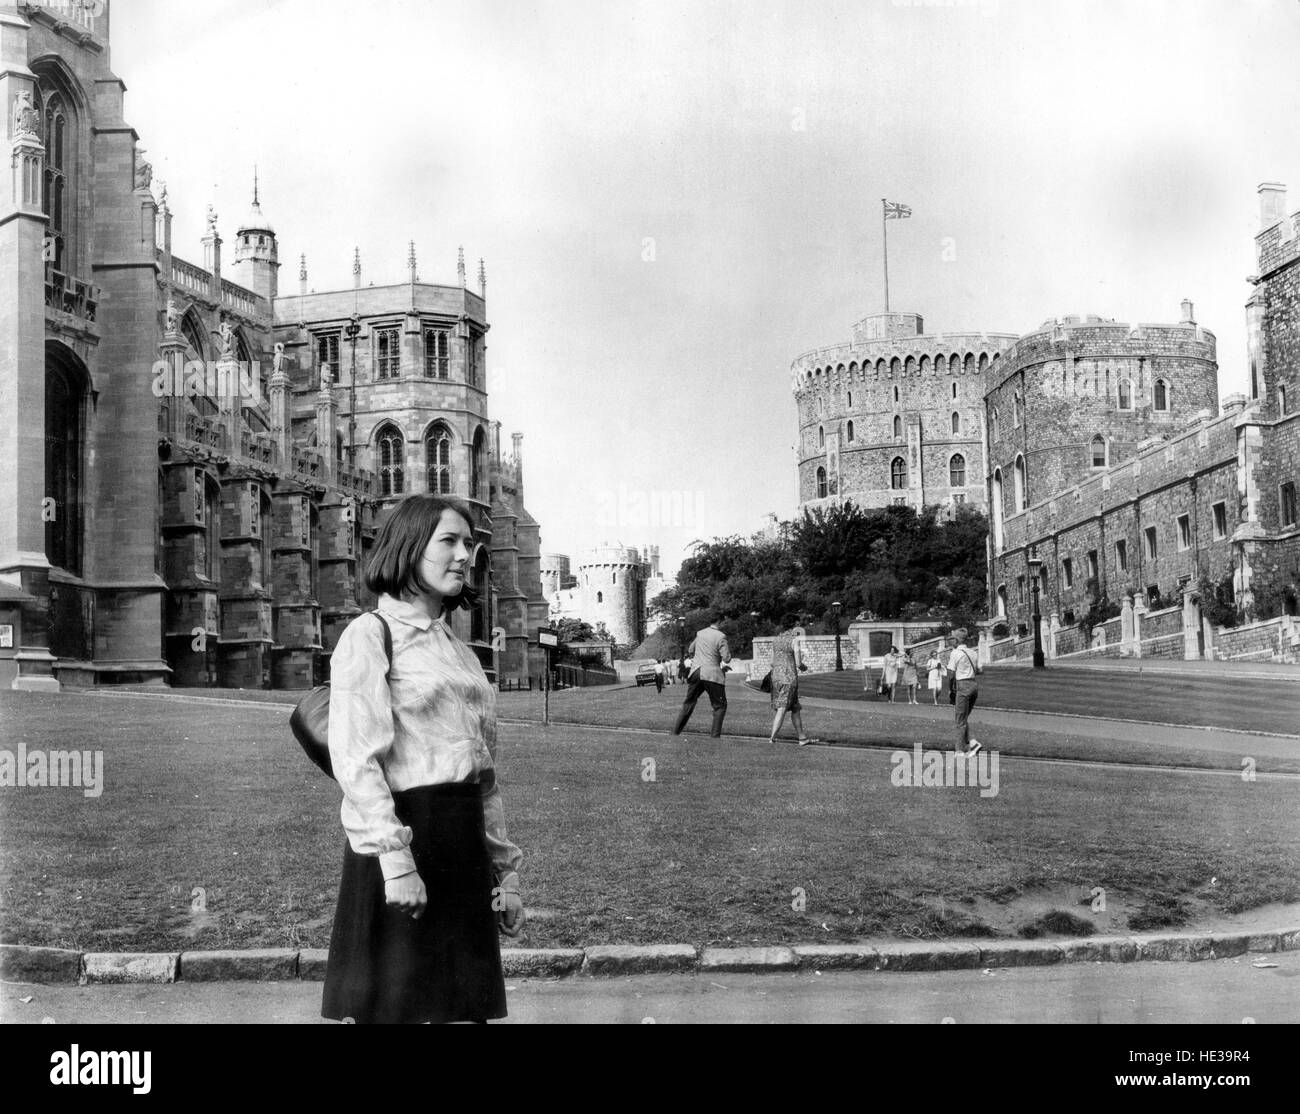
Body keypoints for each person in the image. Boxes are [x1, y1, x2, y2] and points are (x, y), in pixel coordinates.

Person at [321, 495, 525, 1025]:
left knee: (460, 1015)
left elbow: (484, 778)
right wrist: (396, 864)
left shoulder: (459, 651)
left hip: (461, 844)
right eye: (449, 541)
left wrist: (505, 877)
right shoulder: (371, 634)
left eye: (469, 544)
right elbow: (357, 760)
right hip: (405, 840)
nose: (464, 555)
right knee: (399, 1012)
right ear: (410, 548)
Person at [671, 612, 732, 738]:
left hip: (696, 671)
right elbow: (726, 658)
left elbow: (691, 650)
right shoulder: (721, 636)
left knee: (689, 702)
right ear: (719, 621)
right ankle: (715, 737)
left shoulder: (700, 633)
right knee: (720, 706)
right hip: (712, 674)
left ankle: (675, 732)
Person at [768, 614, 819, 745]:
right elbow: (798, 663)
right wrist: (804, 667)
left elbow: (771, 662)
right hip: (789, 678)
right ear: (793, 625)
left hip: (776, 677)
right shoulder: (794, 640)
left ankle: (802, 738)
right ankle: (772, 738)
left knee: (795, 708)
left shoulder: (775, 640)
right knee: (783, 707)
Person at [947, 628, 983, 757]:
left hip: (962, 685)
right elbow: (979, 670)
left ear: (957, 640)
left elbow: (950, 674)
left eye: (952, 639)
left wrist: (950, 689)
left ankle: (959, 750)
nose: (951, 641)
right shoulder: (973, 652)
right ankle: (973, 743)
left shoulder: (955, 653)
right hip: (974, 685)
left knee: (959, 721)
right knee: (963, 718)